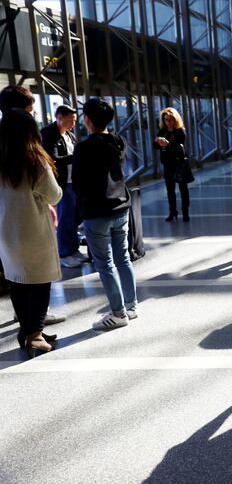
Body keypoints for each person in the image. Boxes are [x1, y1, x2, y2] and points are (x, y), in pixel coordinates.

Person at [0, 85, 67, 326]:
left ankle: (26, 329)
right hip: (33, 233)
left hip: (6, 233)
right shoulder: (34, 160)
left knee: (16, 281)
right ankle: (34, 333)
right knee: (39, 283)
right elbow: (54, 195)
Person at [72, 98, 139, 330]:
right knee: (123, 258)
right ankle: (131, 306)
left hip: (97, 211)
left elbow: (78, 182)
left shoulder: (84, 147)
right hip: (120, 207)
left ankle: (118, 313)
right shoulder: (119, 141)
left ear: (87, 120)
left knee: (105, 264)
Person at [41, 104, 89, 268]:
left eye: (75, 121)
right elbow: (51, 157)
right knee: (65, 217)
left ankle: (73, 248)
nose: (73, 124)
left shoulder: (68, 134)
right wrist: (75, 157)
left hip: (73, 181)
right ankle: (64, 253)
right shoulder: (49, 134)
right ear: (59, 118)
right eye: (71, 121)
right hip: (62, 183)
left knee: (74, 217)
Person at [154, 107, 191, 222]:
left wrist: (166, 145)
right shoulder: (162, 131)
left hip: (179, 164)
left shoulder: (180, 131)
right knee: (170, 190)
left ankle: (185, 212)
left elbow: (180, 147)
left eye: (171, 119)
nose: (168, 122)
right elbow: (155, 145)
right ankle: (172, 212)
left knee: (183, 189)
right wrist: (159, 142)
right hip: (167, 164)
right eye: (166, 120)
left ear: (175, 120)